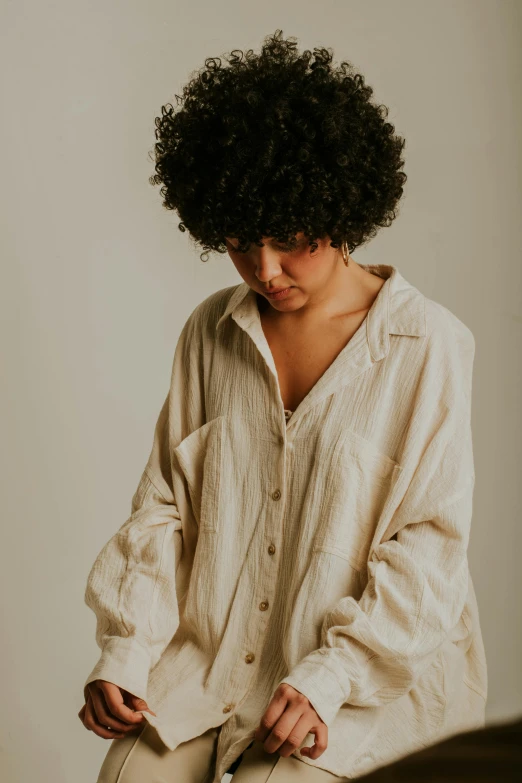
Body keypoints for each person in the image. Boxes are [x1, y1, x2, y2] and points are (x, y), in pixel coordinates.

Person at [78, 29, 488, 783]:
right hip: (206, 667)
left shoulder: (425, 344)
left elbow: (429, 551)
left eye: (292, 239)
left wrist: (329, 679)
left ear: (341, 205)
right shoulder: (211, 330)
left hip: (355, 682)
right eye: (238, 241)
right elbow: (165, 507)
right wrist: (127, 651)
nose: (264, 269)